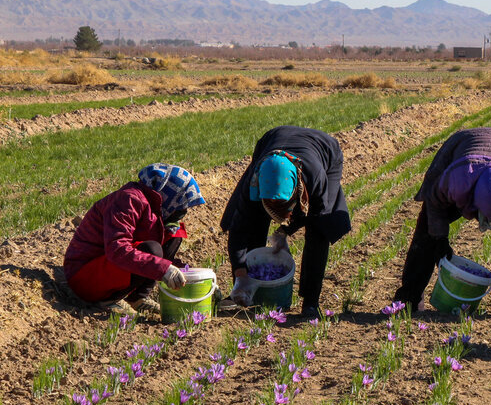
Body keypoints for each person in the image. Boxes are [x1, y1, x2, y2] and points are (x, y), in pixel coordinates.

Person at [392, 127, 491, 315]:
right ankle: (409, 297)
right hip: (463, 147)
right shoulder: (456, 181)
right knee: (426, 228)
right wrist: (440, 238)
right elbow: (434, 204)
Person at [221, 126, 351, 319]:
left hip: (325, 151)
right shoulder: (255, 181)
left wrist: (284, 231)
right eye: (270, 205)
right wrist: (240, 275)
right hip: (271, 140)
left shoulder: (315, 178)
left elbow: (316, 213)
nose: (277, 212)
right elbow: (240, 228)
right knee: (254, 218)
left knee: (320, 228)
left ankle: (310, 301)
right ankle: (250, 290)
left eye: (283, 205)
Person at [63, 164, 204, 311]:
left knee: (173, 236)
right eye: (181, 204)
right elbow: (117, 249)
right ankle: (107, 300)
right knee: (152, 250)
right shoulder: (129, 199)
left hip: (106, 268)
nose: (182, 210)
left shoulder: (154, 208)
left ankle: (137, 298)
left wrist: (197, 278)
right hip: (85, 277)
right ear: (168, 195)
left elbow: (163, 258)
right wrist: (164, 268)